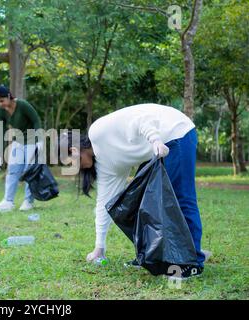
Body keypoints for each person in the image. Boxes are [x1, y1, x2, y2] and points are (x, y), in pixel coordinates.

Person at [59, 103, 205, 279]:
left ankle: (193, 262)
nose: (74, 169)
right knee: (142, 203)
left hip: (174, 132)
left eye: (70, 163)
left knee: (181, 198)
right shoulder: (106, 165)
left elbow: (139, 121)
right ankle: (150, 255)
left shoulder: (97, 132)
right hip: (153, 149)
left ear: (74, 151)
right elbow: (104, 203)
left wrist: (155, 140)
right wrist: (100, 247)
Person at [0, 85, 43, 212]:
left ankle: (28, 201)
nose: (0, 104)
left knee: (29, 170)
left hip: (32, 139)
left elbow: (36, 120)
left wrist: (40, 140)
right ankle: (8, 201)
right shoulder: (1, 112)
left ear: (9, 96)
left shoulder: (22, 105)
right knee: (13, 170)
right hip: (18, 140)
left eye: (2, 100)